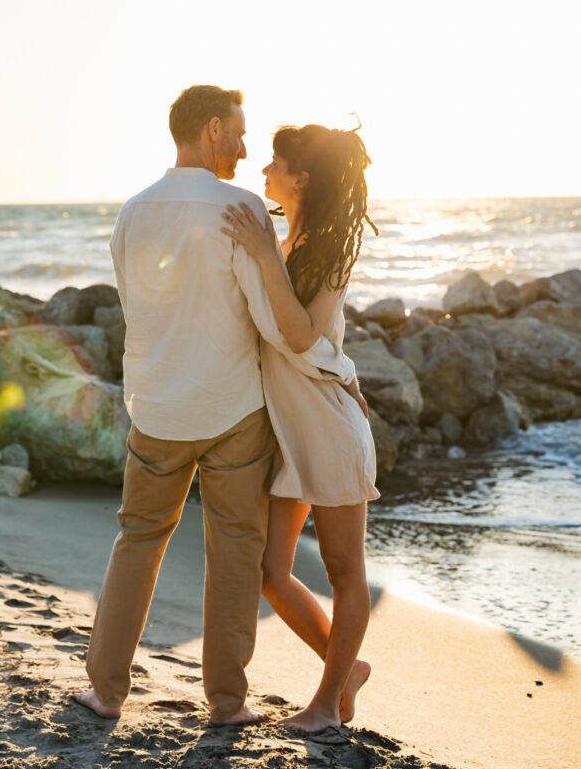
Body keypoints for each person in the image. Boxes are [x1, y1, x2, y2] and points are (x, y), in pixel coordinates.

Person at [72, 86, 357, 727]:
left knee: (136, 542)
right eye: (237, 132)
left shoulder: (132, 212)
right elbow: (273, 322)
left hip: (156, 409)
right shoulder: (242, 207)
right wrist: (335, 371)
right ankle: (227, 704)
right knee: (233, 552)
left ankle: (106, 693)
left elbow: (132, 308)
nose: (245, 146)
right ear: (210, 131)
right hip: (234, 413)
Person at [220, 122, 380, 734]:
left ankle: (325, 707)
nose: (263, 172)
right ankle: (348, 672)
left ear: (302, 176)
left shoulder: (327, 250)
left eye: (274, 163)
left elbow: (301, 335)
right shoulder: (289, 242)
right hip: (289, 434)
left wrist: (262, 251)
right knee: (271, 572)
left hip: (330, 430)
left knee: (344, 572)